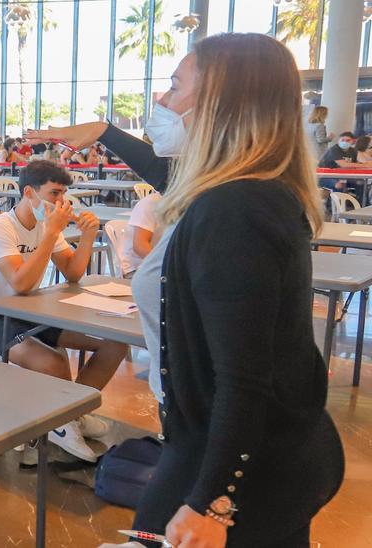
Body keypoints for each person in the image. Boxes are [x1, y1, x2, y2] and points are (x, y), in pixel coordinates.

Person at [27, 33, 344, 548]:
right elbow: (164, 170)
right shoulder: (241, 189)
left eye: (175, 86)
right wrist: (104, 131)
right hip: (271, 449)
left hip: (245, 463)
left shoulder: (233, 211)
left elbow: (244, 379)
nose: (161, 100)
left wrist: (212, 503)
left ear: (221, 104)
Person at [0, 160, 126, 461]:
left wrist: (89, 235)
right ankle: (63, 421)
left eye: (64, 194)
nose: (61, 202)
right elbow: (21, 283)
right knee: (54, 362)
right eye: (54, 193)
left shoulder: (46, 226)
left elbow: (73, 272)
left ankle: (69, 415)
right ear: (29, 192)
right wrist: (51, 233)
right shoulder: (0, 228)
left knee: (116, 342)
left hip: (32, 313)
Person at [115, 191, 161, 279]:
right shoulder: (151, 203)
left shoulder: (185, 205)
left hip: (156, 266)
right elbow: (140, 246)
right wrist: (166, 265)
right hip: (135, 269)